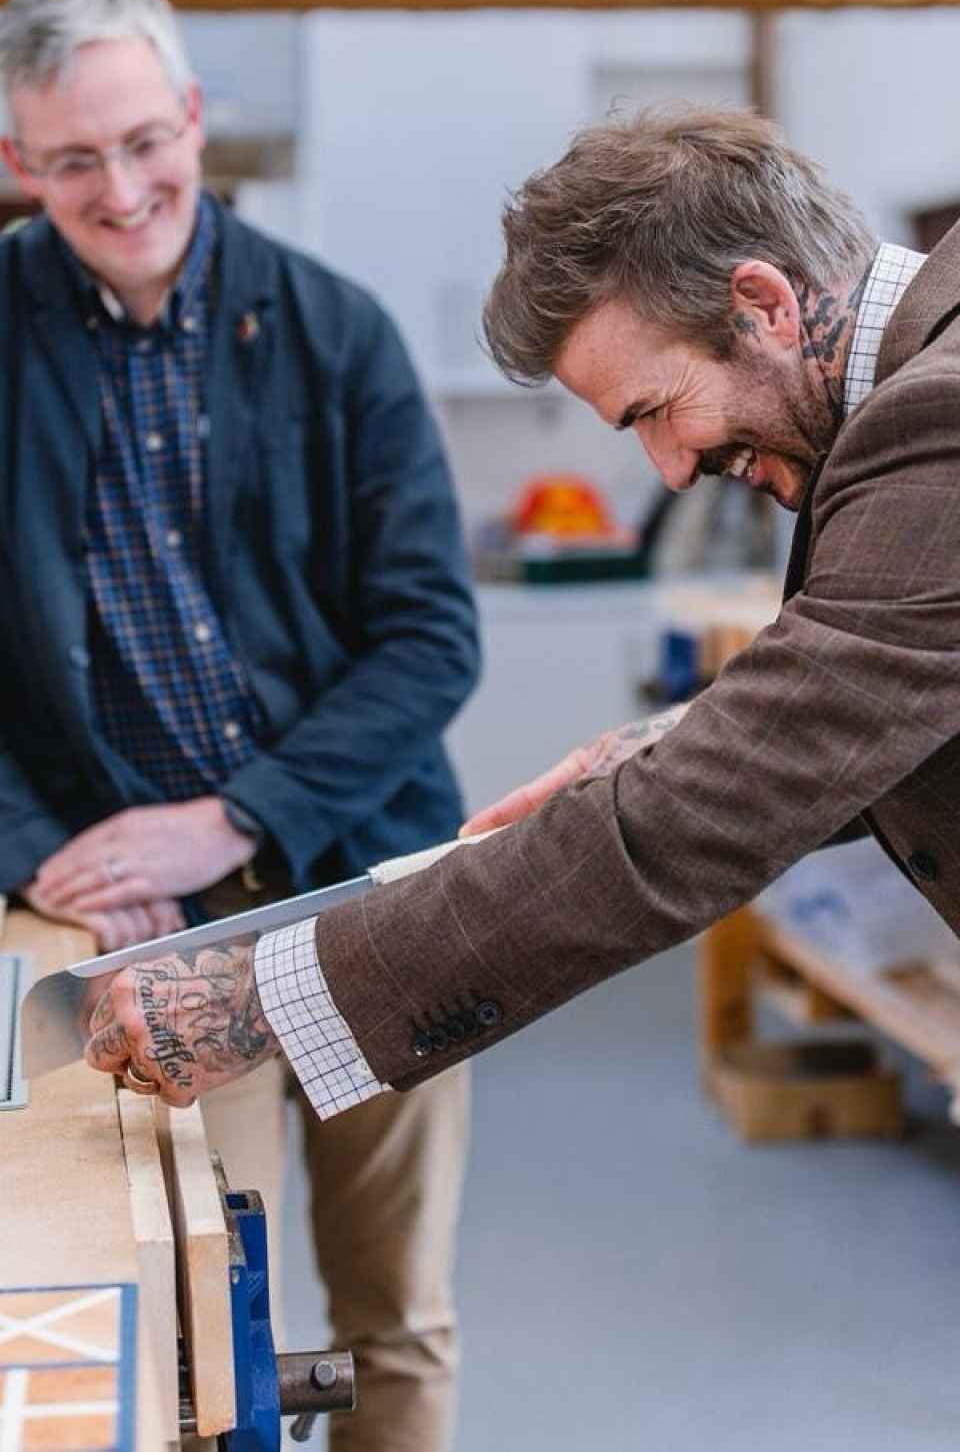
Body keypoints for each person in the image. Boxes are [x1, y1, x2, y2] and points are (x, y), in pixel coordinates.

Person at [87, 105, 960, 1137]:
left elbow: (689, 823)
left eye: (654, 409)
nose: (672, 468)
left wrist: (266, 996)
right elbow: (868, 694)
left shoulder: (932, 420)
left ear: (764, 303)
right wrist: (664, 743)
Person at [1, 0, 481, 1452]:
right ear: (19, 158)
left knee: (396, 1312)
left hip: (371, 890)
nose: (122, 187)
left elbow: (430, 639)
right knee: (216, 1326)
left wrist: (231, 815)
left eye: (145, 139)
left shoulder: (335, 331)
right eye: (75, 158)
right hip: (145, 940)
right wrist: (53, 855)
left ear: (195, 117)